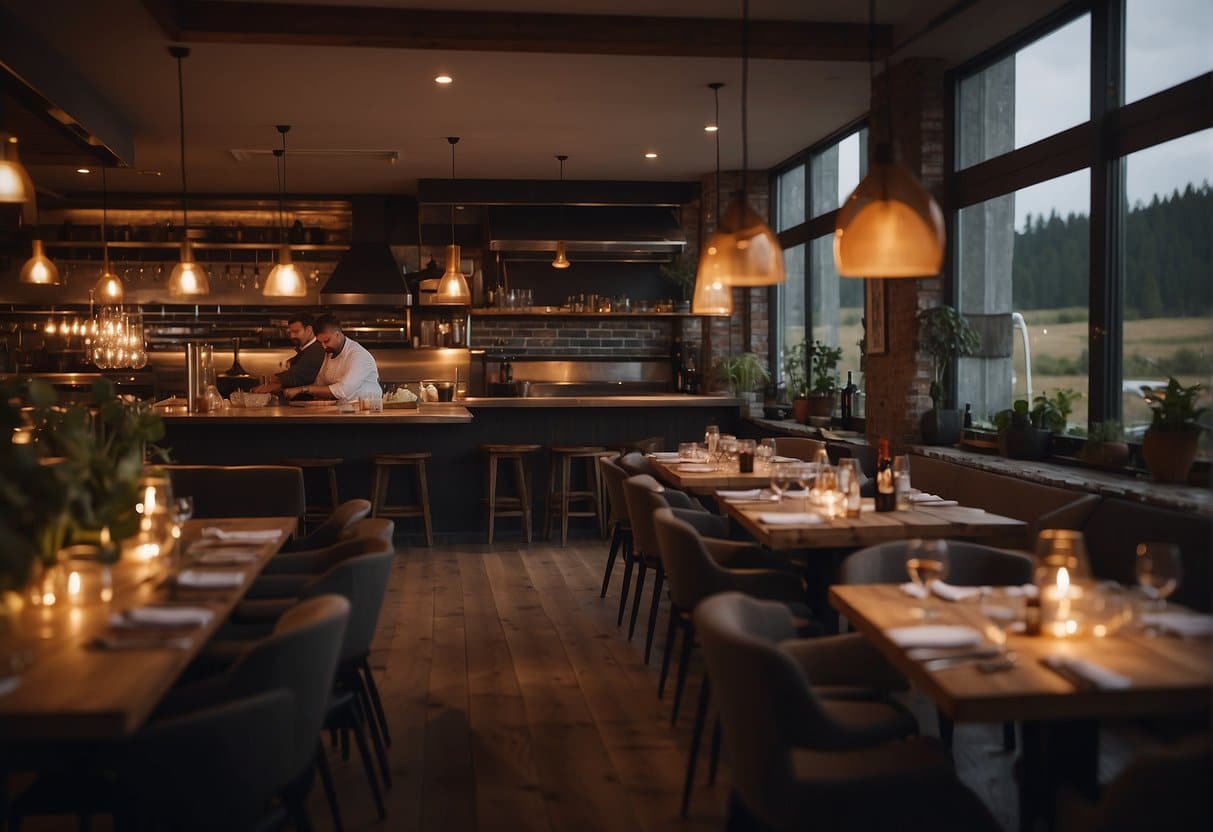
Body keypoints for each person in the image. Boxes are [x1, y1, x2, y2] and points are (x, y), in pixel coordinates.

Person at [282, 313, 381, 402]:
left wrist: (302, 389)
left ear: (337, 335)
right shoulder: (330, 352)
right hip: (341, 411)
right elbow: (320, 383)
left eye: (326, 341)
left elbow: (342, 391)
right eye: (321, 342)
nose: (324, 346)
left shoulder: (358, 355)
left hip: (365, 413)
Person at [252, 312, 323, 394]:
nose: (292, 336)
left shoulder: (316, 349)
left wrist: (273, 381)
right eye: (290, 332)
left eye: (296, 332)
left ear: (309, 330)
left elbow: (298, 377)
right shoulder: (306, 350)